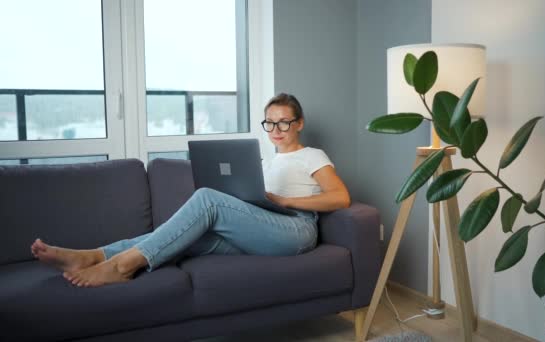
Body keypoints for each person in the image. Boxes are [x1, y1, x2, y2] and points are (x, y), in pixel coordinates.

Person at [30, 93, 351, 288]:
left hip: (297, 231)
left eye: (283, 122)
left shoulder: (312, 156)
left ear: (299, 124)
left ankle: (121, 266)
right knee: (189, 234)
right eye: (270, 122)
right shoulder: (267, 163)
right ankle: (92, 256)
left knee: (207, 199)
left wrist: (283, 200)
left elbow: (341, 197)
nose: (276, 130)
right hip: (265, 229)